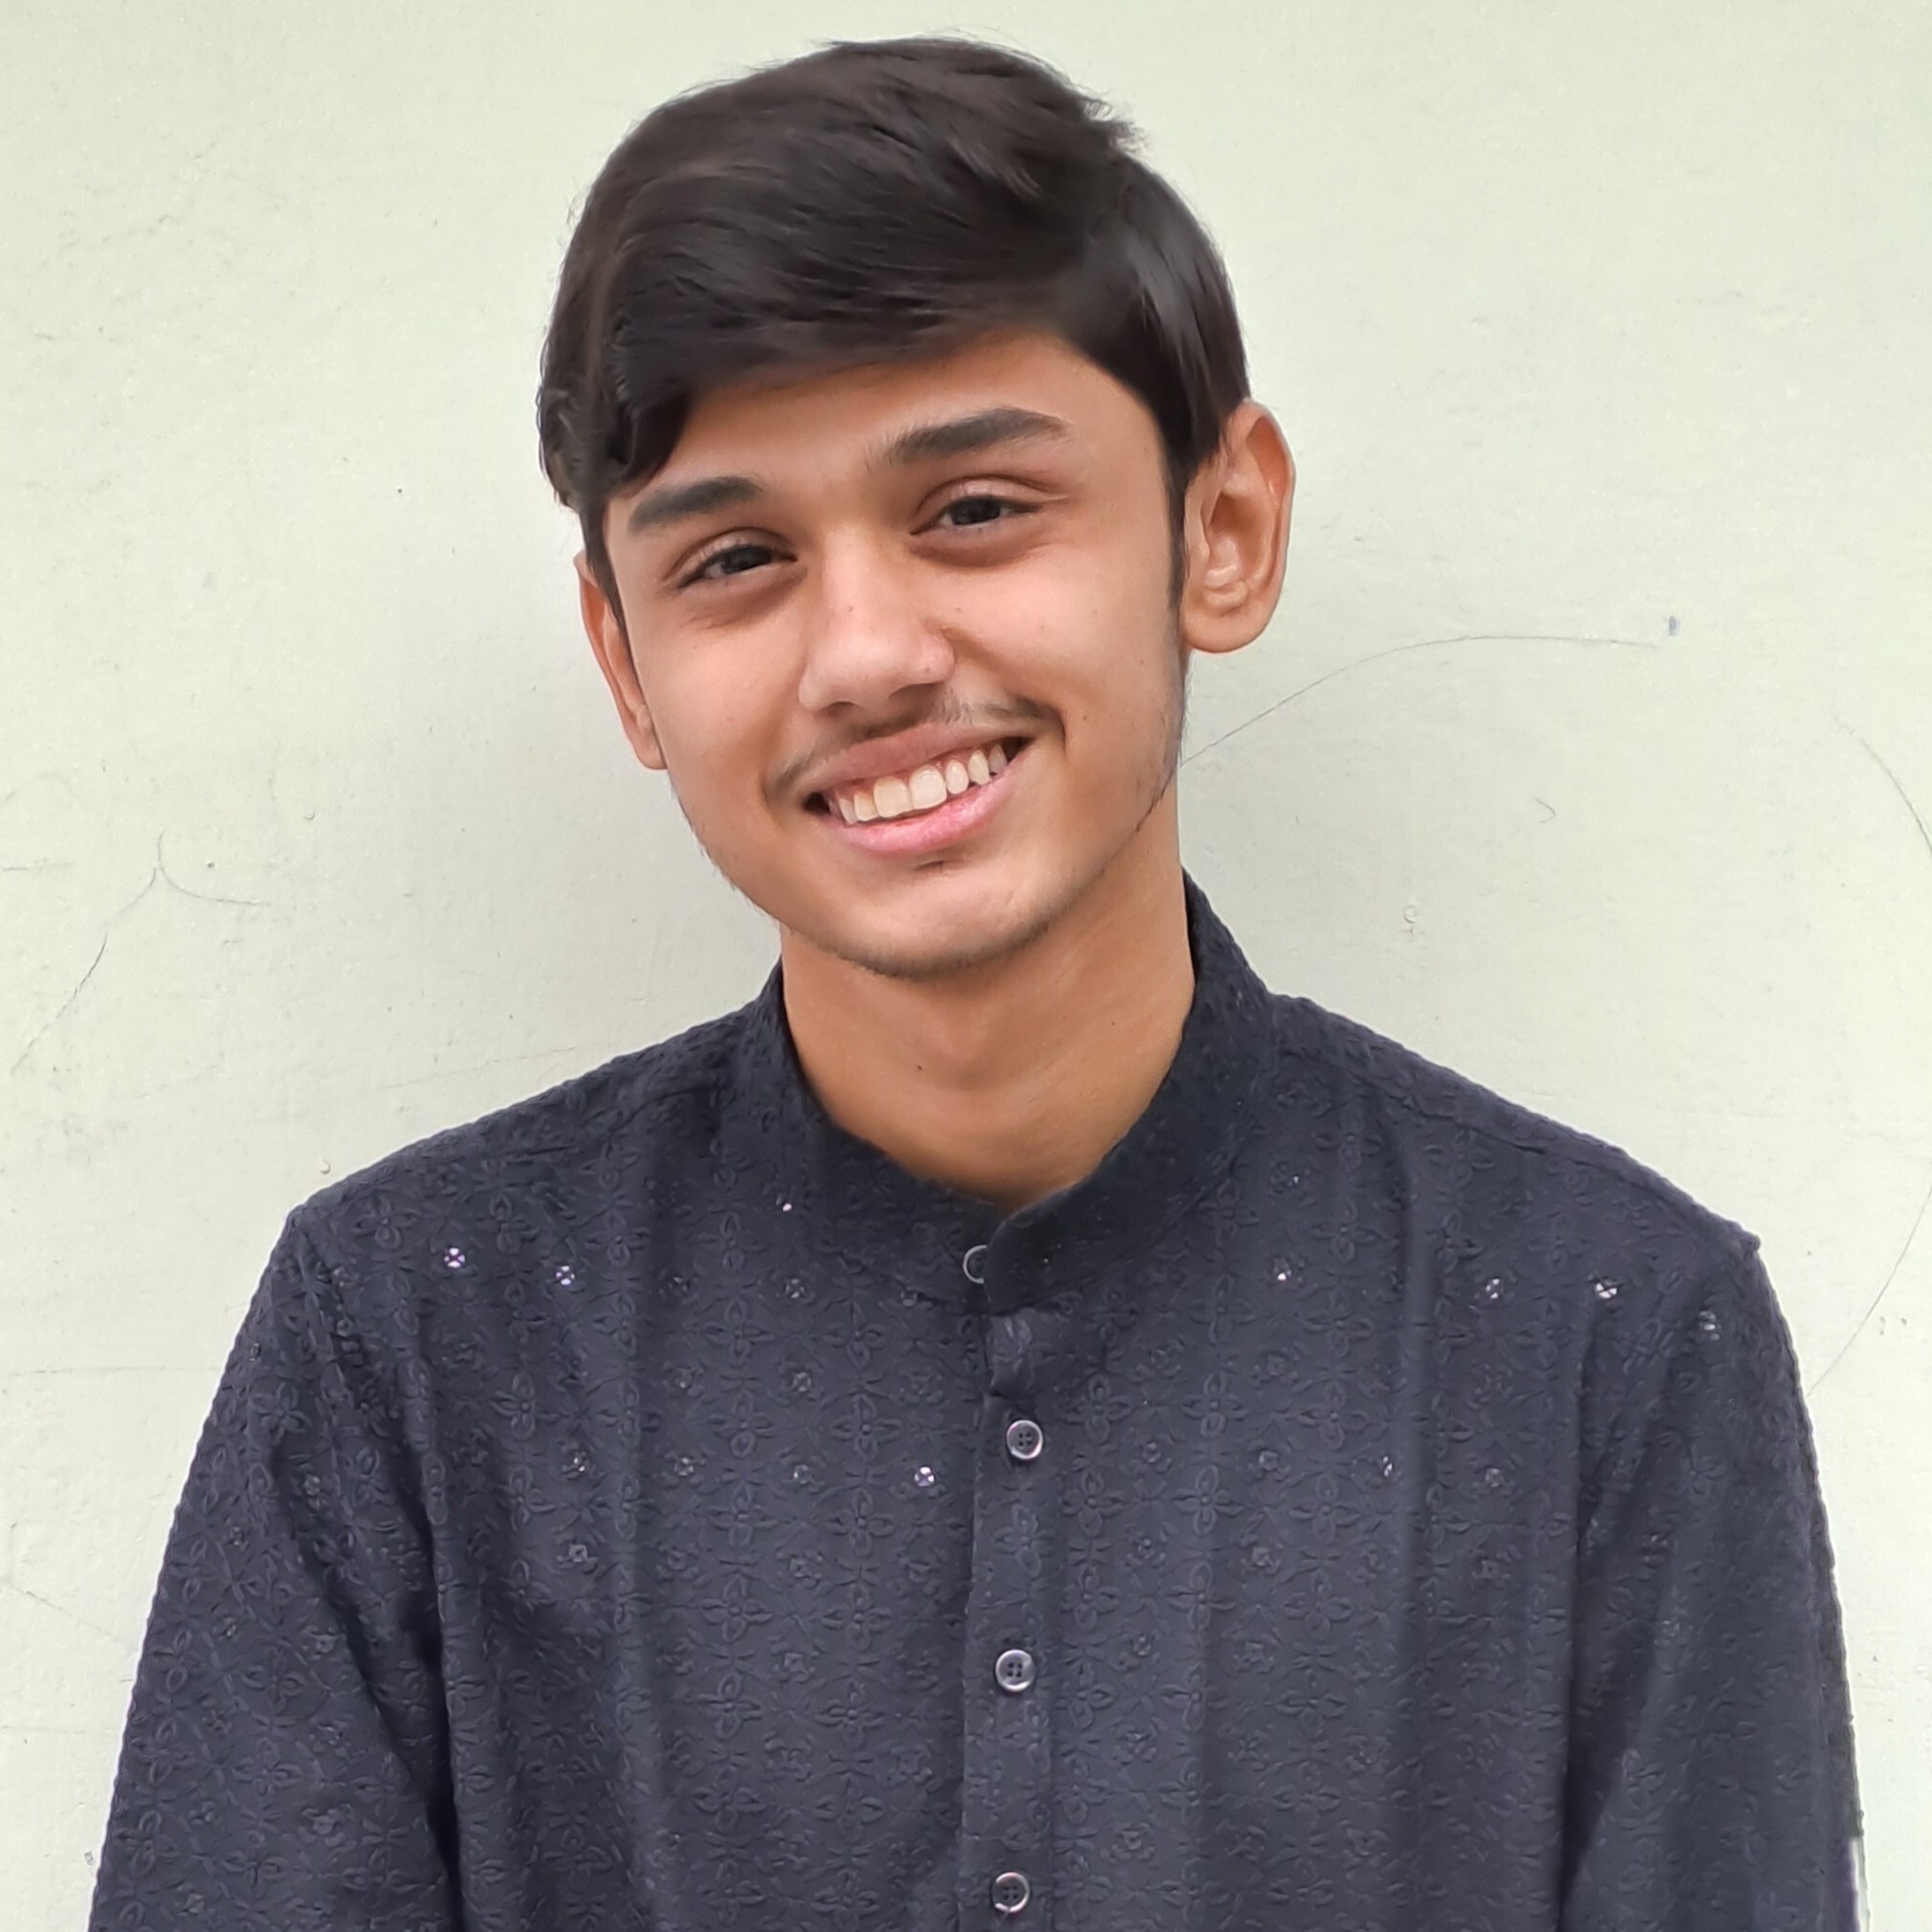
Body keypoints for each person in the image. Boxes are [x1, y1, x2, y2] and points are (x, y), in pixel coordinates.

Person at [89, 33, 1862, 1932]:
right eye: (738, 557)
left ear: (1220, 525)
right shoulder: (408, 1335)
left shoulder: (1606, 1329)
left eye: (975, 510)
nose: (862, 651)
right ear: (620, 656)